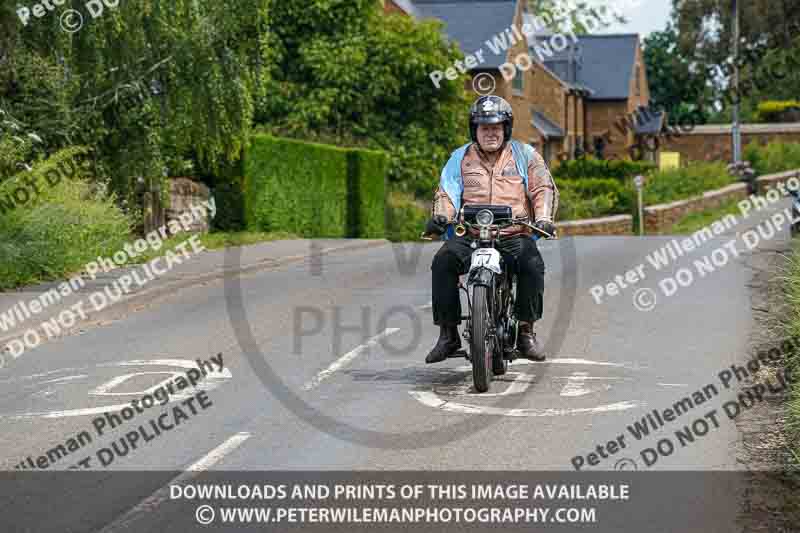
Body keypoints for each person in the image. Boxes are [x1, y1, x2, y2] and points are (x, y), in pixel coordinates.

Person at [423, 95, 559, 364]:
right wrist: (441, 217)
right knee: (442, 262)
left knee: (532, 264)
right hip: (471, 234)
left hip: (513, 233)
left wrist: (543, 218)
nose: (490, 133)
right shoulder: (459, 158)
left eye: (496, 127)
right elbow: (447, 194)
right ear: (474, 129)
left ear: (506, 128)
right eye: (484, 128)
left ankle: (525, 332)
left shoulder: (526, 155)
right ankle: (448, 334)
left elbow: (542, 188)